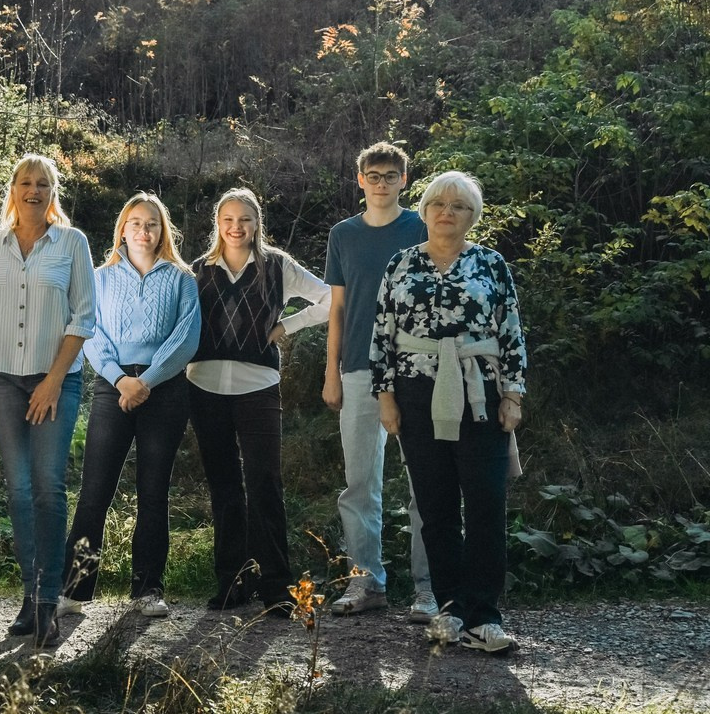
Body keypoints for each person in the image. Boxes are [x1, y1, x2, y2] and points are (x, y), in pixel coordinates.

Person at [371, 170, 527, 653]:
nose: (447, 212)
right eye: (439, 203)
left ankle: (485, 615)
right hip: (416, 395)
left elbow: (512, 331)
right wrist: (386, 396)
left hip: (480, 393)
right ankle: (449, 609)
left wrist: (513, 394)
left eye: (459, 206)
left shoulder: (491, 265)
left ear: (472, 216)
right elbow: (381, 333)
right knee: (435, 507)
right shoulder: (401, 263)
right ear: (425, 210)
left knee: (485, 505)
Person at [0, 153, 94, 647]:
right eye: (25, 182)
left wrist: (54, 380)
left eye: (43, 184)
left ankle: (47, 606)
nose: (33, 190)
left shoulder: (72, 243)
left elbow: (83, 318)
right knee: (18, 491)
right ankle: (29, 595)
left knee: (48, 488)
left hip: (53, 380)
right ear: (13, 190)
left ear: (52, 192)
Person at [187, 188, 331, 614]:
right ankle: (232, 583)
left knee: (265, 482)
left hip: (259, 385)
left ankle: (275, 586)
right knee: (224, 486)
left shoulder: (278, 266)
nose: (237, 227)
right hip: (205, 385)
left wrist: (288, 326)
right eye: (228, 218)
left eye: (245, 219)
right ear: (218, 222)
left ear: (257, 222)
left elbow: (329, 298)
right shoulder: (197, 270)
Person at [59, 193, 200, 621]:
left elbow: (186, 338)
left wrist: (147, 381)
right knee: (94, 492)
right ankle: (75, 589)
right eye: (136, 222)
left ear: (163, 231)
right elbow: (90, 331)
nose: (143, 230)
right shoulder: (100, 278)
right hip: (111, 387)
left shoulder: (181, 279)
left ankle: (148, 590)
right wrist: (121, 380)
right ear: (123, 228)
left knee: (153, 493)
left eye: (152, 224)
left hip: (165, 391)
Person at [323, 142, 436, 621]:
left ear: (404, 180)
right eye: (374, 174)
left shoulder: (422, 227)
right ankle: (366, 581)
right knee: (359, 482)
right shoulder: (343, 235)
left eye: (391, 175)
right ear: (360, 179)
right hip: (357, 367)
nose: (382, 181)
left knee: (426, 480)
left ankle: (430, 589)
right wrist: (331, 371)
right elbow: (338, 308)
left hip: (416, 368)